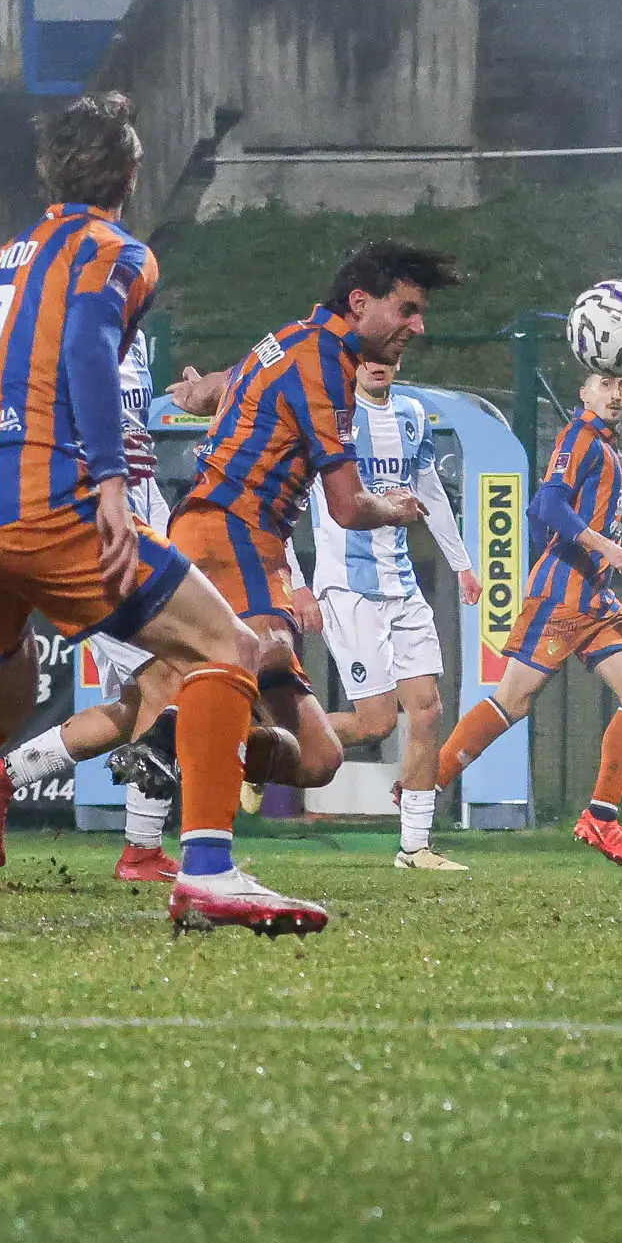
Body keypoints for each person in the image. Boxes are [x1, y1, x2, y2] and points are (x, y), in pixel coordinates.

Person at [0, 93, 316, 939]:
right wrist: (112, 478)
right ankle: (206, 871)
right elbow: (86, 338)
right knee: (227, 646)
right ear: (130, 173)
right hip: (43, 498)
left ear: (51, 172)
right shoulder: (116, 250)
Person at [167, 242, 461, 814]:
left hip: (251, 538)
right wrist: (394, 509)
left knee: (317, 757)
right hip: (228, 527)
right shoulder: (324, 364)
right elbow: (348, 507)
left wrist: (198, 393)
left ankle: (173, 739)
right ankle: (201, 849)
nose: (417, 326)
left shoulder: (297, 339)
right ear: (360, 302)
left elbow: (226, 383)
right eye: (406, 309)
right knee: (264, 648)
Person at [0, 325, 189, 882]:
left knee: (139, 704)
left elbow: (131, 411)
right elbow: (32, 417)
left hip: (142, 506)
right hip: (95, 517)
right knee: (170, 678)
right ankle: (140, 849)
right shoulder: (61, 325)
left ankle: (3, 776)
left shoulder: (127, 330)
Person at [431, 363, 622, 868]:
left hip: (595, 596)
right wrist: (600, 551)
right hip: (563, 596)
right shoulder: (578, 437)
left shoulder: (607, 445)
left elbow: (541, 519)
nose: (616, 394)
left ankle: (601, 819)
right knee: (513, 701)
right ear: (585, 391)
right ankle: (424, 793)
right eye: (606, 384)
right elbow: (547, 507)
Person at [295, 353, 480, 871]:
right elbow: (285, 505)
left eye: (390, 358)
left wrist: (461, 564)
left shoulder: (413, 416)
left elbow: (432, 494)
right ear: (353, 362)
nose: (380, 366)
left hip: (402, 584)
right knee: (375, 722)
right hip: (347, 590)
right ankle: (262, 745)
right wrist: (294, 584)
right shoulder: (328, 421)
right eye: (370, 358)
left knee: (427, 710)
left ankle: (415, 847)